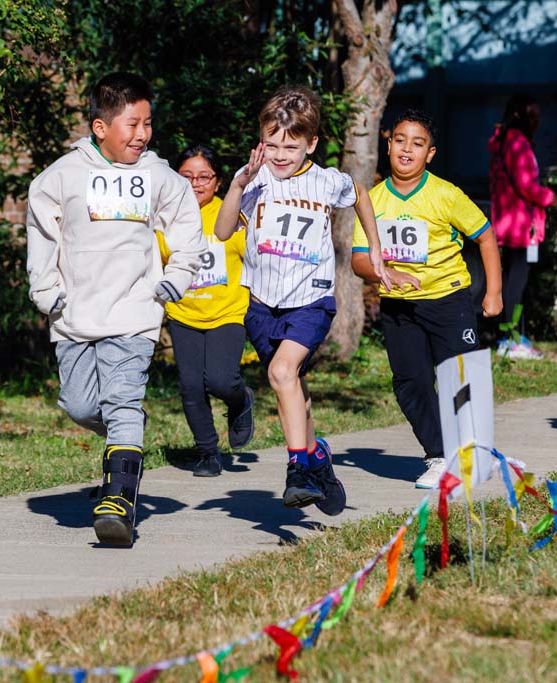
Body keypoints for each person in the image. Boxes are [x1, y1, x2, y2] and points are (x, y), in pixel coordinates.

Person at [26, 72, 206, 546]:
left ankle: (119, 499)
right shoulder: (62, 176)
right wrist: (45, 291)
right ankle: (128, 436)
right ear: (100, 127)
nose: (142, 134)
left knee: (123, 400)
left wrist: (176, 278)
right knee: (80, 404)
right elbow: (42, 234)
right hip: (75, 314)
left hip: (135, 310)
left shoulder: (157, 175)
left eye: (147, 123)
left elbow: (188, 227)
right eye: (132, 124)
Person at [214, 85, 389, 516]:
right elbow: (221, 231)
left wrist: (375, 250)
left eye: (290, 147)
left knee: (281, 370)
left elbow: (362, 195)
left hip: (311, 300)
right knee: (290, 386)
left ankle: (297, 469)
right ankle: (316, 459)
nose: (278, 155)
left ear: (310, 143)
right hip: (262, 303)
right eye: (271, 144)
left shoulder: (327, 181)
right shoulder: (252, 178)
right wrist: (238, 184)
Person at [351, 109, 503, 489]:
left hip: (448, 300)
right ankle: (438, 456)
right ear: (388, 146)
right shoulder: (371, 200)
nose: (407, 149)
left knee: (461, 378)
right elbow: (358, 260)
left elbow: (485, 237)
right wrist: (384, 272)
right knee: (411, 382)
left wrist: (494, 292)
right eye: (400, 140)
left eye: (417, 144)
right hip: (399, 307)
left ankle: (474, 452)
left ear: (430, 154)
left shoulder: (446, 195)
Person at [157, 144, 254, 477]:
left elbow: (253, 256)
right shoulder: (164, 218)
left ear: (217, 182)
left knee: (221, 380)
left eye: (204, 177)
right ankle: (208, 451)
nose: (196, 183)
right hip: (184, 313)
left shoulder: (231, 212)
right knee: (190, 385)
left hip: (227, 312)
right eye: (187, 177)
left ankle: (240, 401)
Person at [487, 94, 557, 360]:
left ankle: (510, 336)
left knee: (510, 279)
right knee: (518, 281)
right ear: (522, 116)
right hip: (521, 224)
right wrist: (549, 197)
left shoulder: (502, 141)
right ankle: (511, 339)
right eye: (534, 115)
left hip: (505, 219)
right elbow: (526, 185)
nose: (537, 121)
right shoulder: (518, 143)